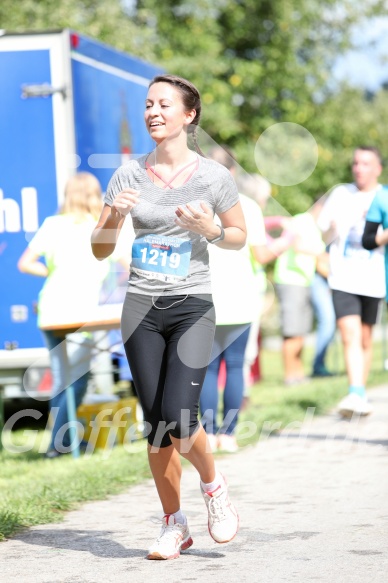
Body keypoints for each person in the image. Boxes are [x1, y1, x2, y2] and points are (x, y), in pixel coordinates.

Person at [91, 74, 245, 560]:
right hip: (140, 308)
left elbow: (240, 235)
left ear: (189, 115)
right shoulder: (126, 175)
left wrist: (212, 229)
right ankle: (173, 524)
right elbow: (98, 251)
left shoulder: (213, 177)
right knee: (157, 425)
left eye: (163, 104)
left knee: (181, 417)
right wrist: (114, 218)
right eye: (148, 104)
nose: (153, 112)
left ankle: (214, 485)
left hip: (192, 306)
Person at [199, 157, 292, 454]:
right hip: (241, 299)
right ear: (233, 172)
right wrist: (287, 240)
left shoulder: (194, 205)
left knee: (209, 370)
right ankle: (230, 434)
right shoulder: (248, 206)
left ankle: (210, 434)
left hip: (204, 299)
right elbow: (262, 256)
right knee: (236, 367)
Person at [17, 172, 109, 458]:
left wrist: (52, 273)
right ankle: (62, 441)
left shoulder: (53, 225)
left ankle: (63, 440)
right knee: (78, 376)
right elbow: (129, 261)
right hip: (82, 313)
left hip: (51, 309)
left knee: (62, 377)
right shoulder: (100, 226)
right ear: (95, 195)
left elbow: (25, 263)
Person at [318, 146, 386, 417]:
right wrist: (334, 227)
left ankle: (360, 392)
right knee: (349, 334)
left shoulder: (384, 197)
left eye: (366, 163)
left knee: (366, 338)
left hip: (375, 277)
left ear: (378, 168)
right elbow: (323, 235)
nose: (359, 168)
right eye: (356, 163)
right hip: (343, 276)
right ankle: (355, 392)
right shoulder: (340, 194)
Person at [274, 203, 327, 385]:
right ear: (320, 206)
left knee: (301, 331)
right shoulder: (301, 220)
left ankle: (299, 373)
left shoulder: (315, 228)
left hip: (304, 282)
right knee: (291, 331)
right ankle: (290, 376)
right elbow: (296, 245)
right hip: (290, 281)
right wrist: (320, 253)